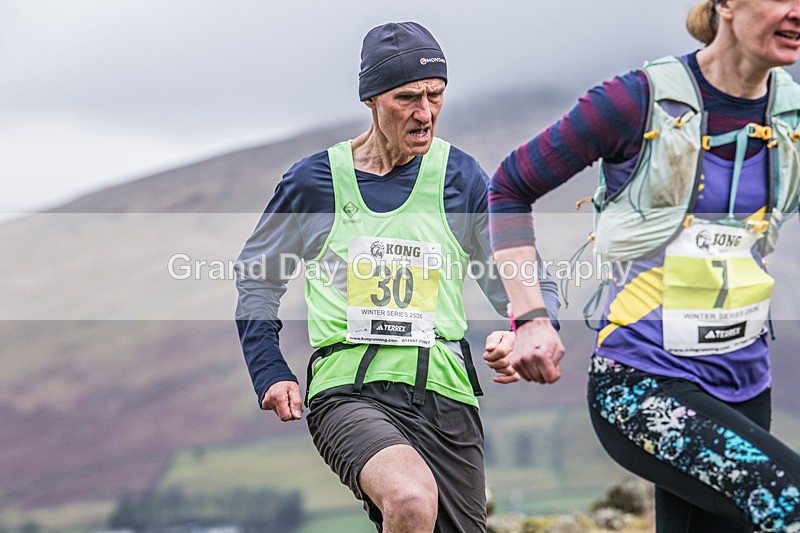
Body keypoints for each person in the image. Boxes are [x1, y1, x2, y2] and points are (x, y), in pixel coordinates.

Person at [486, 1, 800, 532]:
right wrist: (532, 317)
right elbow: (510, 187)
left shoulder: (789, 114)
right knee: (788, 498)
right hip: (641, 384)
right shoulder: (635, 102)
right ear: (724, 4)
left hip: (746, 384)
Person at [235, 21, 558, 532]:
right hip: (349, 392)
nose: (424, 112)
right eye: (407, 97)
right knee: (409, 498)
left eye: (435, 95)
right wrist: (269, 369)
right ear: (371, 100)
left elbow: (523, 276)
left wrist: (528, 332)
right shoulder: (314, 182)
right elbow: (257, 277)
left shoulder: (460, 177)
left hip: (447, 397)